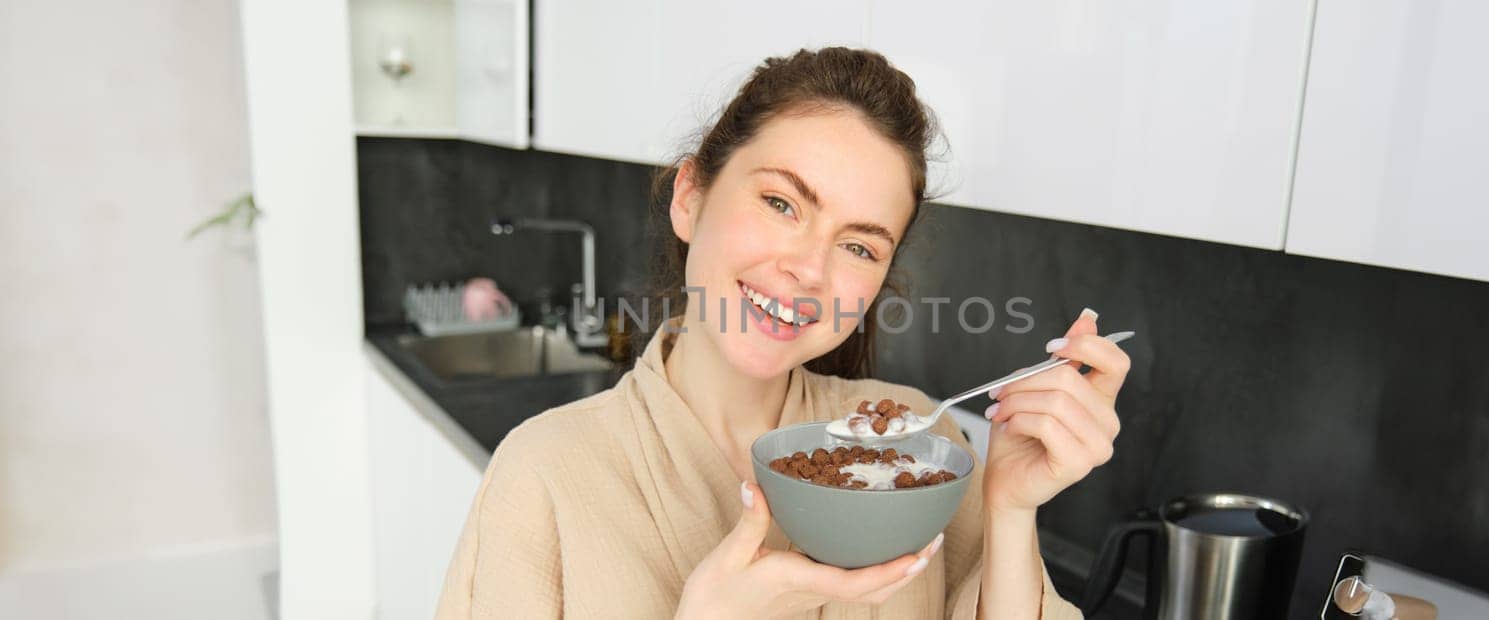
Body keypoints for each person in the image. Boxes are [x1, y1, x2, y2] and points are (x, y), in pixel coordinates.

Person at [436, 47, 1131, 619]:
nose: (807, 270)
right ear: (690, 196)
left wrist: (1009, 510)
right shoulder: (545, 474)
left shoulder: (924, 449)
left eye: (859, 246)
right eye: (781, 203)